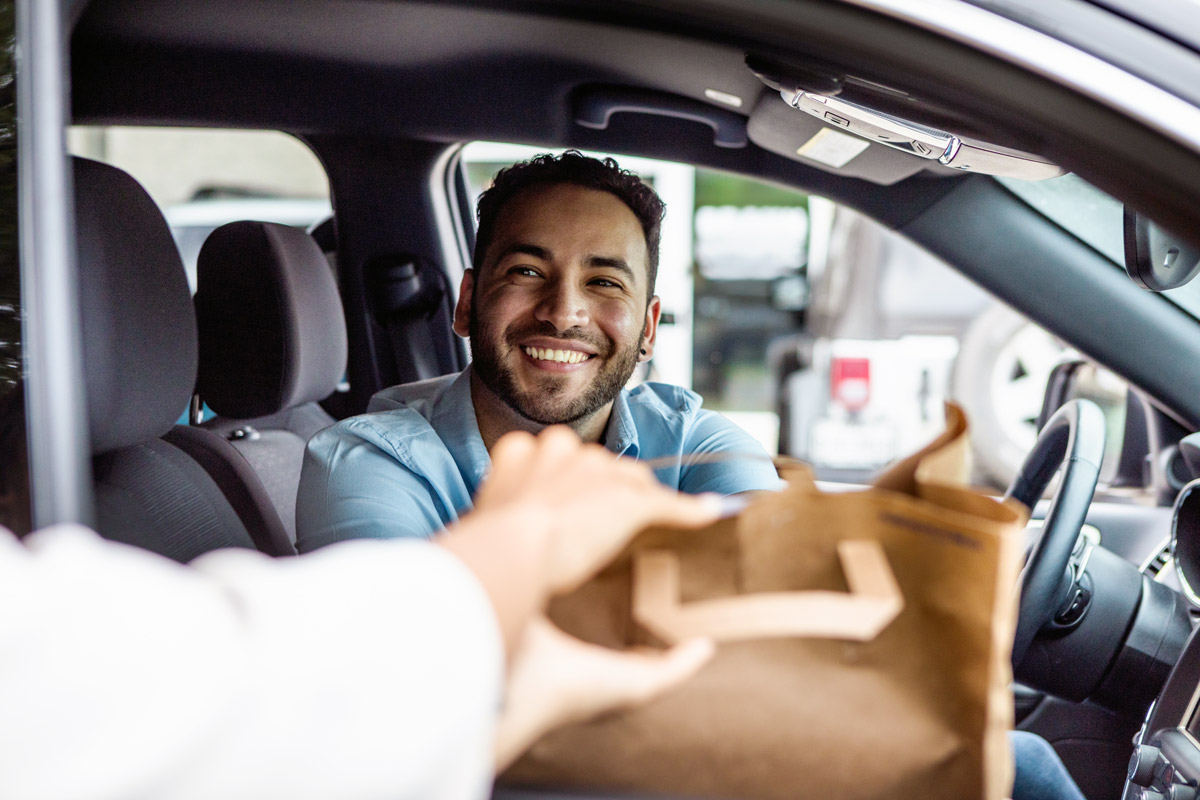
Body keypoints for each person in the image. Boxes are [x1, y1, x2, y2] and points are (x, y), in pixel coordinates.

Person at [0, 428, 720, 800]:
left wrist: (503, 712)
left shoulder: (682, 422)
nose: (565, 310)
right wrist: (519, 537)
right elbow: (89, 700)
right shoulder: (367, 456)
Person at [295, 151, 779, 552]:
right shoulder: (369, 463)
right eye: (526, 272)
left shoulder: (692, 445)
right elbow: (408, 659)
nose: (564, 312)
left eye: (605, 282)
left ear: (648, 329)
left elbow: (784, 589)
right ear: (467, 303)